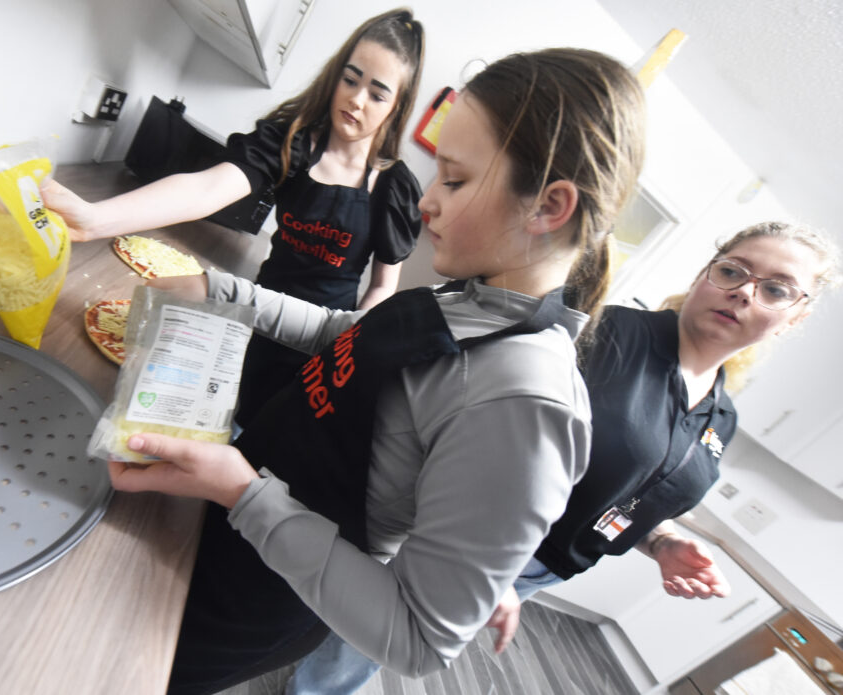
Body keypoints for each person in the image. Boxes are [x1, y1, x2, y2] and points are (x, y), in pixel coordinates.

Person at [108, 47, 647, 695]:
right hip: (232, 519)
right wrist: (221, 291)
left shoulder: (526, 402)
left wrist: (243, 492)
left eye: (454, 180)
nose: (427, 202)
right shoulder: (469, 300)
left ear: (549, 206)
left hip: (258, 593)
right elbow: (344, 337)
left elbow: (419, 638)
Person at [286, 220, 842, 695]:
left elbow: (630, 490)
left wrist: (661, 541)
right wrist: (487, 563)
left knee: (383, 642)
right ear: (705, 273)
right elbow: (490, 424)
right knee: (373, 632)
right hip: (471, 536)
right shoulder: (609, 332)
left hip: (542, 570)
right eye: (733, 271)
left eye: (776, 289)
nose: (744, 292)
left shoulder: (722, 418)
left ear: (794, 317)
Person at [43, 8, 425, 429]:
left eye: (377, 94)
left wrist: (346, 346)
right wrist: (95, 218)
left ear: (397, 106)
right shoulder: (292, 142)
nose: (356, 99)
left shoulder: (394, 187)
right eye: (351, 80)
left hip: (318, 348)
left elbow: (383, 286)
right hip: (253, 319)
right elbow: (207, 189)